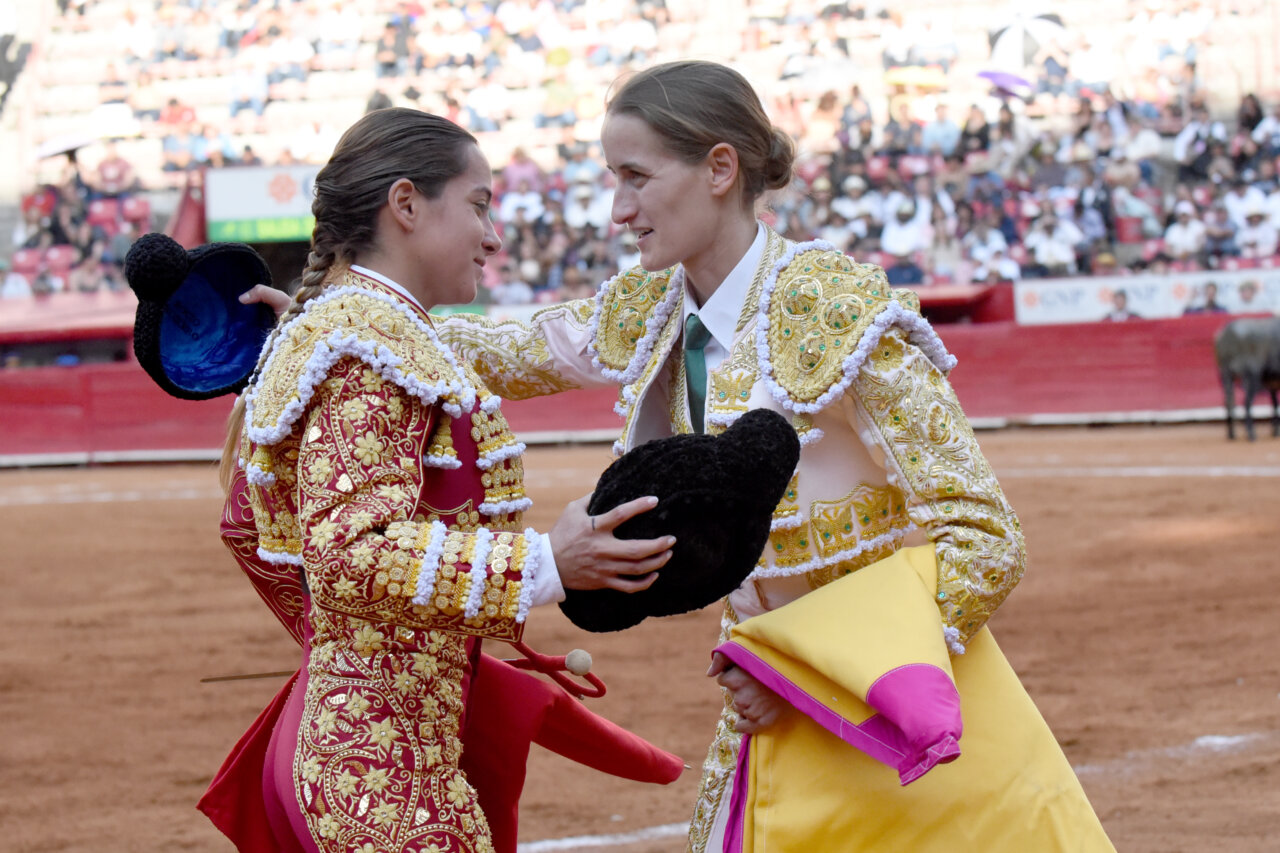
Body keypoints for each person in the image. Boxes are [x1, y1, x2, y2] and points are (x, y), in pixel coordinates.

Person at [433, 61, 1114, 853]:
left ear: (720, 168)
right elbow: (498, 348)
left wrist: (807, 672)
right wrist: (339, 321)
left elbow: (986, 537)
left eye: (637, 178)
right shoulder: (652, 309)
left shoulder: (835, 312)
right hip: (769, 707)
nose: (618, 210)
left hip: (904, 719)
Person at [219, 108, 676, 853]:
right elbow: (348, 551)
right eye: (479, 204)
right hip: (380, 772)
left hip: (362, 740)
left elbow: (245, 526)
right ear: (405, 204)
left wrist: (355, 648)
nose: (494, 235)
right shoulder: (366, 347)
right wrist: (546, 563)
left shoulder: (361, 329)